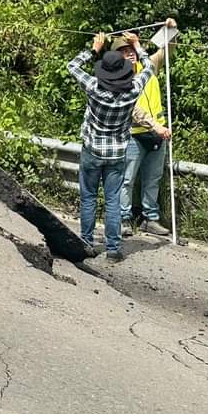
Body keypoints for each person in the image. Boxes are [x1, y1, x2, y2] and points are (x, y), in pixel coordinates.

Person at [67, 32, 153, 261]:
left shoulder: (94, 86)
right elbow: (150, 67)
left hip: (92, 150)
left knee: (88, 198)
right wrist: (137, 45)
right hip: (117, 153)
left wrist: (95, 48)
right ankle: (113, 248)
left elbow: (72, 66)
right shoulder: (133, 89)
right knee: (113, 200)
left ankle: (86, 242)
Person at [116, 18, 177, 237]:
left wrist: (171, 28)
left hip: (157, 134)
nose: (129, 53)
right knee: (127, 179)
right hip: (134, 134)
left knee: (153, 179)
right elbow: (133, 109)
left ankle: (150, 219)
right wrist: (155, 127)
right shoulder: (119, 78)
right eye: (124, 51)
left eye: (131, 48)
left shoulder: (149, 67)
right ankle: (123, 219)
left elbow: (168, 49)